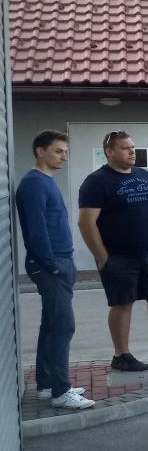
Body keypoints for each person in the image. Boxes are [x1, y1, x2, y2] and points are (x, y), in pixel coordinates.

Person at [77, 130, 148, 370]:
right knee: (122, 304)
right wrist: (102, 257)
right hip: (118, 257)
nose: (132, 151)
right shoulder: (96, 181)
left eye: (133, 147)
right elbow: (86, 223)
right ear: (109, 152)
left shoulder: (144, 175)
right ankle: (121, 356)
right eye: (125, 148)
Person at [16, 130, 94, 411]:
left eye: (66, 152)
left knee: (51, 325)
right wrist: (52, 265)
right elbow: (36, 230)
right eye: (58, 151)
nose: (64, 157)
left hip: (59, 262)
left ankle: (47, 385)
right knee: (63, 326)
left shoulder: (45, 181)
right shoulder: (34, 184)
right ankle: (61, 392)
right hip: (51, 265)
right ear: (40, 151)